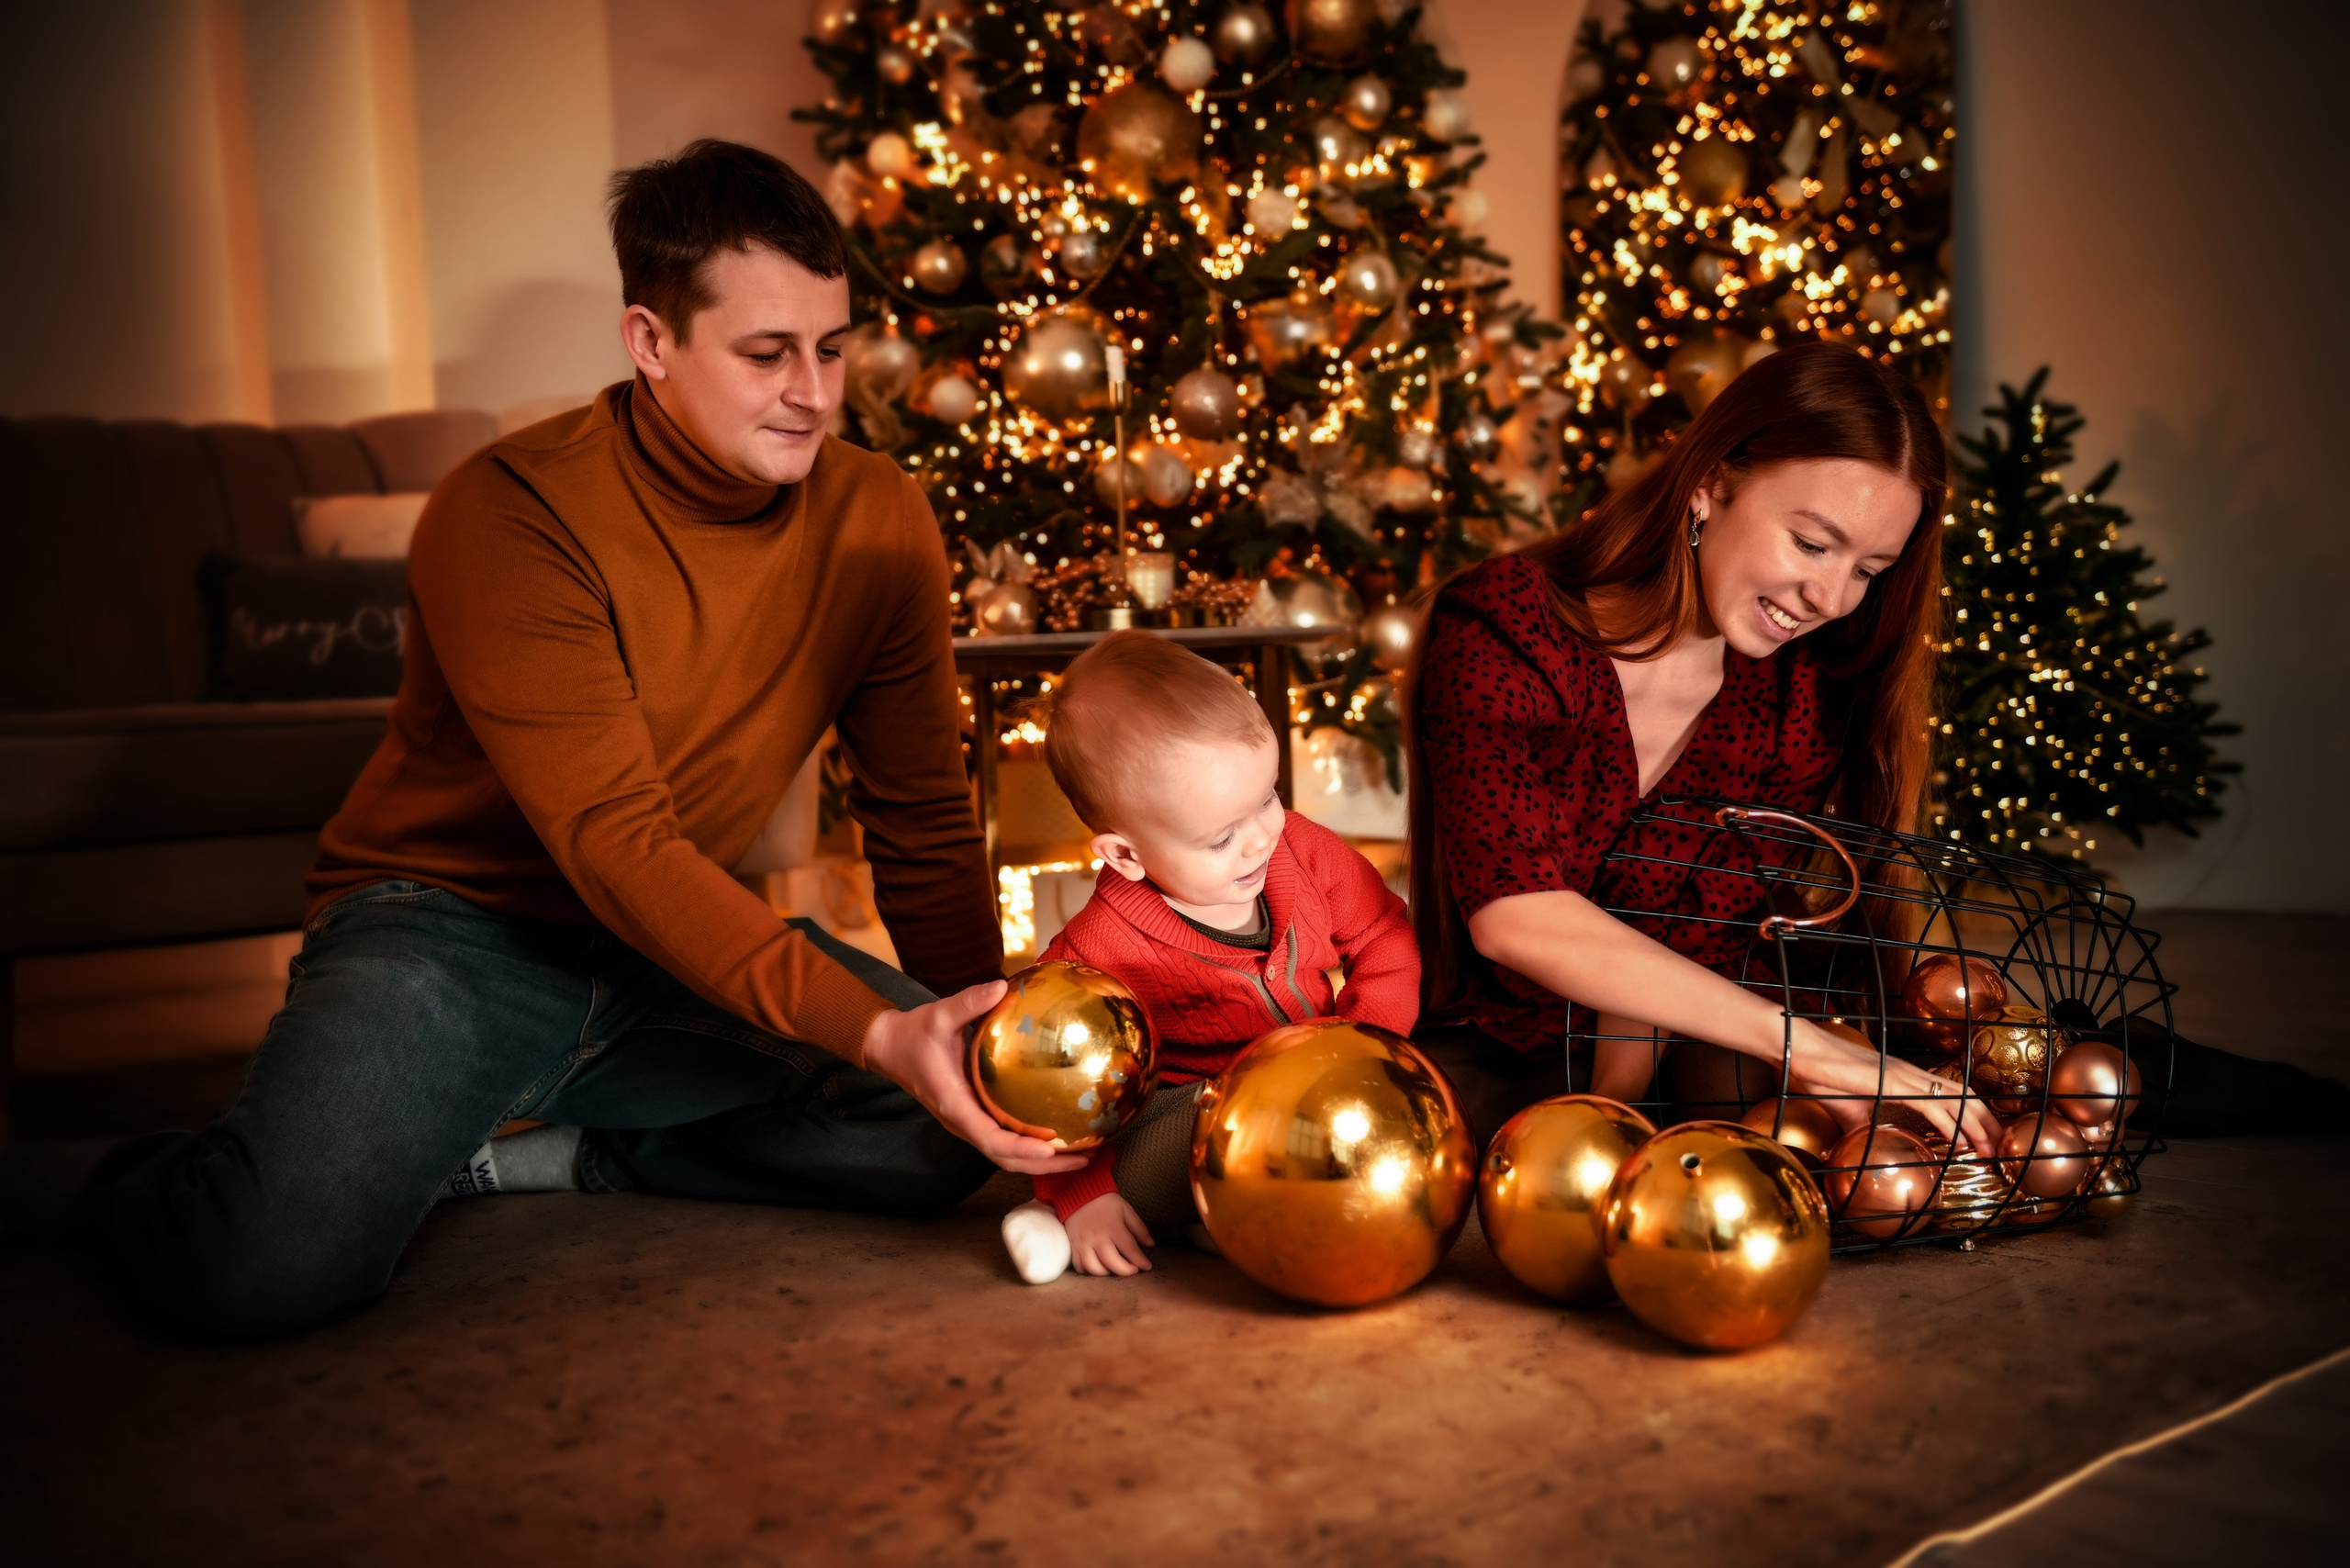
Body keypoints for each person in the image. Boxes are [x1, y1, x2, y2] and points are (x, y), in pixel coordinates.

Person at [5, 139, 1084, 1339]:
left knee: (928, 1143)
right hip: (445, 937)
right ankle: (144, 1175)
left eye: (831, 349)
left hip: (663, 950)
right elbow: (614, 840)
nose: (816, 393)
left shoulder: (881, 519)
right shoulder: (507, 512)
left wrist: (969, 1032)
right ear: (650, 343)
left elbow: (923, 813)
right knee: (256, 1269)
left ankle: (567, 1155)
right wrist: (880, 1030)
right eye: (767, 354)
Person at [1408, 342, 2007, 1157]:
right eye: (1812, 543)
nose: (1831, 599)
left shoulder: (1799, 696)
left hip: (1698, 1020)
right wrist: (1806, 1050)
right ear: (1710, 485)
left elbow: (1699, 945)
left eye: (1869, 569)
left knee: (1956, 1089)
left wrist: (1821, 1058)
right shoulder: (1506, 628)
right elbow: (1514, 916)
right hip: (1507, 1035)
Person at [995, 633, 1419, 1282]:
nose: (1259, 841)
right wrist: (1083, 1195)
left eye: (1268, 799)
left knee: (1405, 1115)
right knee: (1185, 1137)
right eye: (1221, 838)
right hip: (1192, 1106)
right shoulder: (1098, 948)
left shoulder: (1301, 851)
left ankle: (1224, 1207)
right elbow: (1053, 1080)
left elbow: (1386, 938)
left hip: (1319, 1075)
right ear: (1126, 856)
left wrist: (1372, 1042)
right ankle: (1059, 1221)